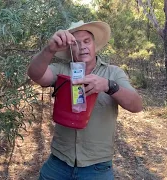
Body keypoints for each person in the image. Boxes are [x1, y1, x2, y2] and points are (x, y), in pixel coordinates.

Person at [27, 20, 142, 180]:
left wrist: (108, 85)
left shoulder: (113, 73)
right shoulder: (61, 70)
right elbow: (35, 74)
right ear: (70, 50)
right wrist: (49, 49)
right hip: (59, 162)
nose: (82, 47)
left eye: (87, 41)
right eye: (76, 43)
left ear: (95, 45)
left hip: (97, 168)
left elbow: (136, 105)